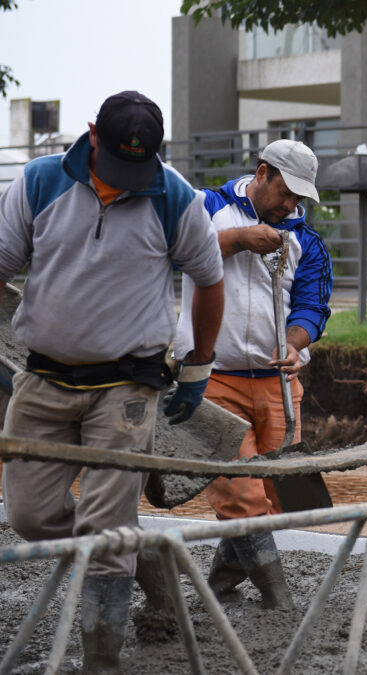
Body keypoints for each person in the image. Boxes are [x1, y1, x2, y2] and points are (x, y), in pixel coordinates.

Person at [0, 91, 224, 671]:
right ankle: (145, 557)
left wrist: (198, 363)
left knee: (102, 528)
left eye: (140, 166)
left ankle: (101, 660)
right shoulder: (39, 184)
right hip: (45, 379)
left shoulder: (172, 196)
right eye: (118, 165)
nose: (128, 180)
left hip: (126, 388)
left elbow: (209, 277)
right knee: (28, 516)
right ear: (92, 134)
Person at [173, 139, 332, 609]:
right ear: (262, 173)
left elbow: (312, 305)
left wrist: (298, 342)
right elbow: (174, 254)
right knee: (241, 497)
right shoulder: (204, 207)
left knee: (275, 498)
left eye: (300, 198)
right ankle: (278, 597)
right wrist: (238, 240)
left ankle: (216, 590)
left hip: (279, 383)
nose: (292, 205)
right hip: (210, 378)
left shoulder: (307, 240)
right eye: (286, 193)